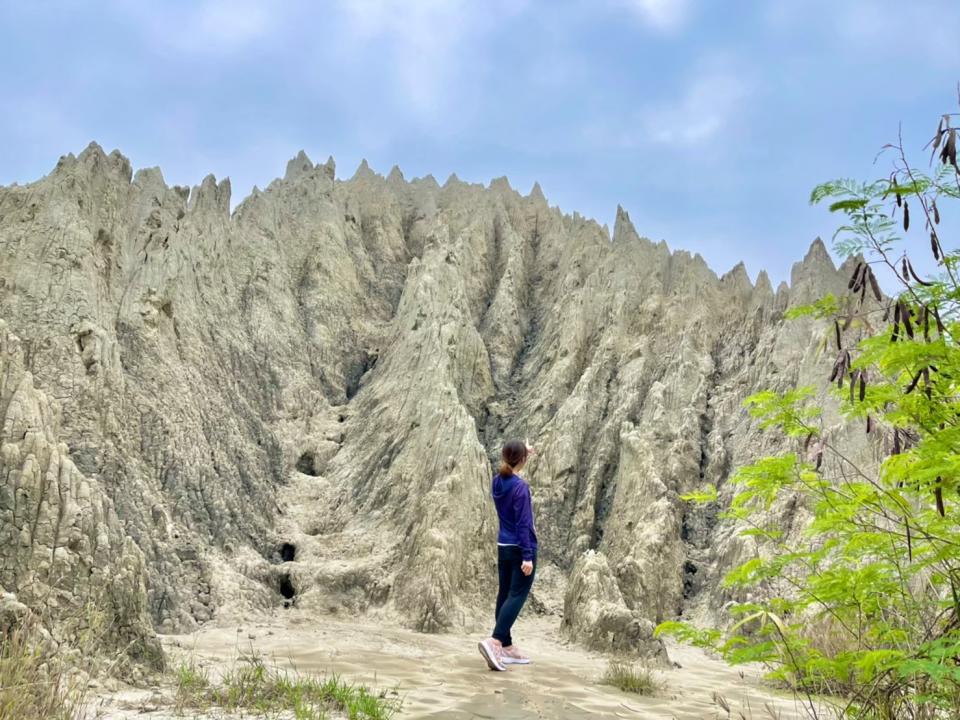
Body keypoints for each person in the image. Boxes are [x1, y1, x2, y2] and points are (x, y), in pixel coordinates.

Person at [478, 438, 538, 672]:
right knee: (517, 595)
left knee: (504, 595)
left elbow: (511, 467)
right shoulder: (520, 488)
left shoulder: (497, 482)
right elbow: (523, 524)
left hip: (503, 545)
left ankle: (507, 646)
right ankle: (495, 641)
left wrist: (524, 453)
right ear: (521, 460)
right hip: (521, 547)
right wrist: (527, 556)